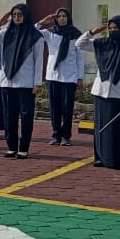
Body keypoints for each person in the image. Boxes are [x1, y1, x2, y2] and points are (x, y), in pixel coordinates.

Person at [77, 17, 120, 169]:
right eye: (111, 28)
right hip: (101, 93)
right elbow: (79, 43)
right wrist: (93, 32)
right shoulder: (102, 44)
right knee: (102, 129)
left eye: (116, 28)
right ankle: (101, 157)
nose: (113, 31)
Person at [0, 4, 44, 159]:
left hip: (25, 83)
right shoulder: (6, 33)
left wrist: (37, 83)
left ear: (26, 16)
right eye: (14, 15)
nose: (16, 18)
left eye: (19, 15)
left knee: (26, 116)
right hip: (7, 81)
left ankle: (24, 148)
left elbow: (39, 61)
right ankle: (11, 147)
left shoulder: (35, 36)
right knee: (9, 115)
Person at [38, 8, 84, 146]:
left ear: (68, 18)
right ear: (56, 19)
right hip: (53, 75)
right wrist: (42, 22)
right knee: (54, 107)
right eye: (59, 16)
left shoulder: (76, 34)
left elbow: (80, 57)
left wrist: (80, 77)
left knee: (67, 107)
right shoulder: (50, 33)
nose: (62, 18)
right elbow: (31, 33)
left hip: (70, 76)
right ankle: (55, 135)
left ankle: (66, 136)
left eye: (64, 16)